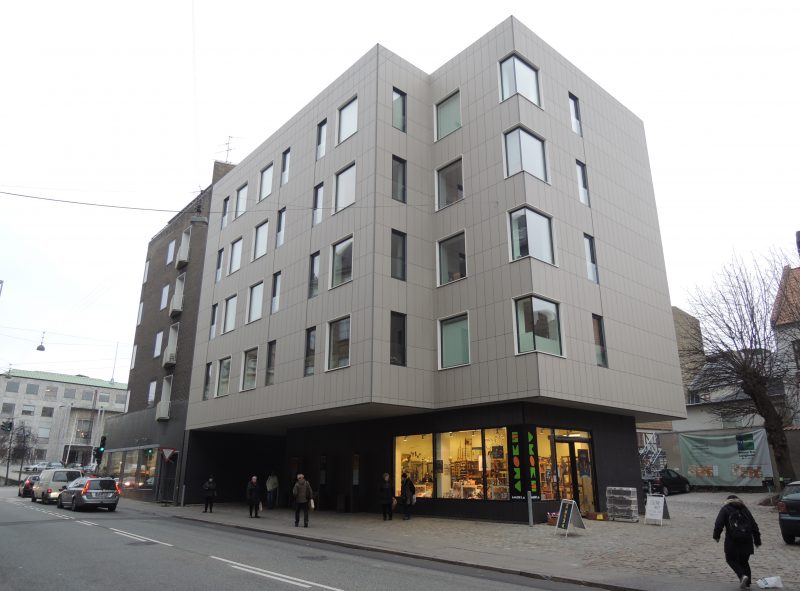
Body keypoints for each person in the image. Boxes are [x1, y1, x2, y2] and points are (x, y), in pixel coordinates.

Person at [713, 494, 761, 589]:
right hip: (747, 539)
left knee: (730, 559)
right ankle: (747, 584)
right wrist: (757, 540)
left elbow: (719, 523)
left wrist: (716, 536)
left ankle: (742, 576)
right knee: (744, 561)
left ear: (727, 501)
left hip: (732, 540)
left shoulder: (725, 509)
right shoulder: (745, 509)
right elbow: (754, 525)